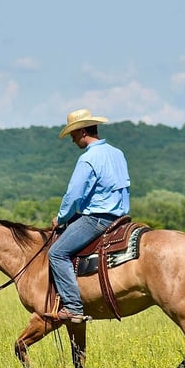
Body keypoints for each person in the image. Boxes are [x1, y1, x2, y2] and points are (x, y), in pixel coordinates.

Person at [48, 108, 131, 323]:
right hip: (120, 218)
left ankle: (73, 307)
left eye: (73, 134)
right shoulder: (117, 153)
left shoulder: (88, 159)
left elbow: (74, 194)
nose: (72, 140)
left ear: (83, 131)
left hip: (96, 219)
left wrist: (62, 218)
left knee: (56, 253)